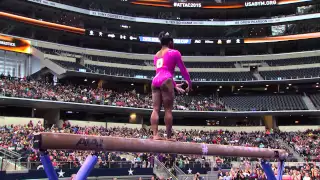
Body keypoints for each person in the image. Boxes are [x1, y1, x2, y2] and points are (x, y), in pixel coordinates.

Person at [150, 31, 192, 141]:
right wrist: (189, 83)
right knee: (168, 110)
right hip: (166, 79)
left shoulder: (156, 55)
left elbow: (161, 72)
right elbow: (183, 70)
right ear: (170, 42)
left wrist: (174, 85)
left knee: (155, 109)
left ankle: (155, 135)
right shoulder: (174, 52)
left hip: (155, 81)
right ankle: (168, 136)